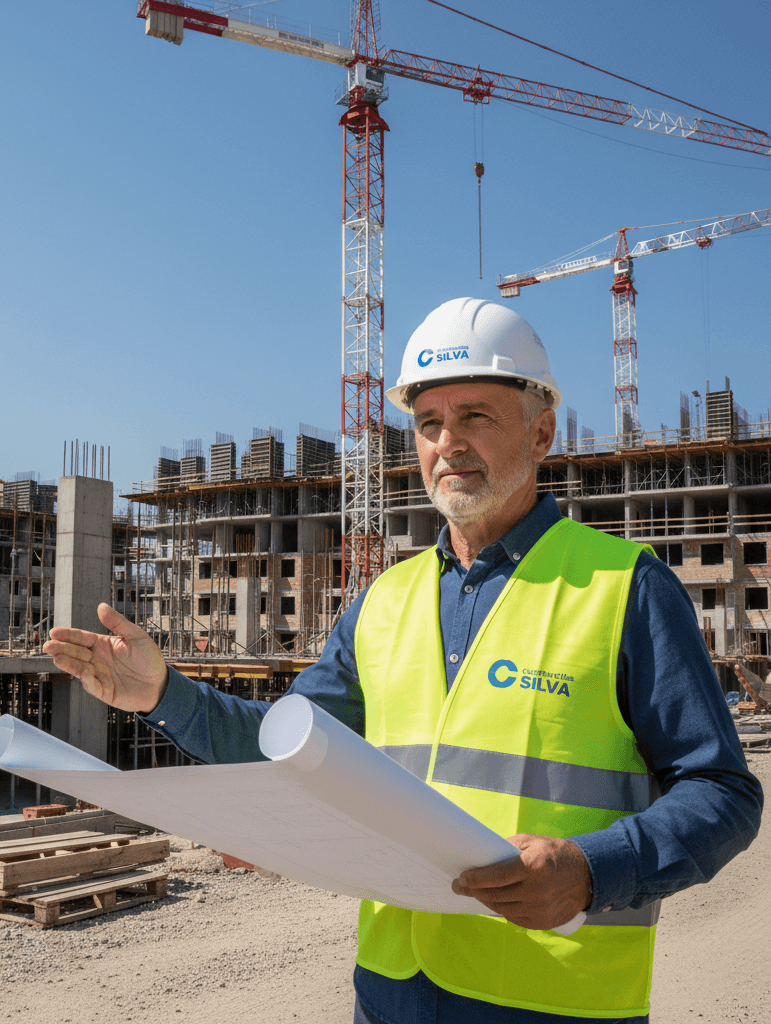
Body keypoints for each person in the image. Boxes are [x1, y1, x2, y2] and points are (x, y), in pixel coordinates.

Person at [44, 297, 763, 1023]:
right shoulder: (384, 602)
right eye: (428, 423)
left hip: (555, 1000)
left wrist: (592, 870)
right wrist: (166, 693)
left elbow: (723, 793)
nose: (447, 443)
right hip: (391, 992)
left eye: (476, 416)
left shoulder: (624, 588)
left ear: (541, 431)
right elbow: (288, 744)